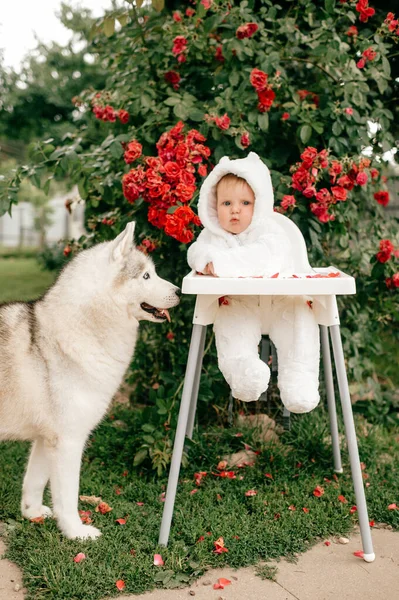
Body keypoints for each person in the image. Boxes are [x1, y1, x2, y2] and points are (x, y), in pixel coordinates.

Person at [187, 152, 320, 413]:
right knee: (230, 324)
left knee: (301, 325)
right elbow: (196, 253)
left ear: (259, 204)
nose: (235, 209)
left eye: (245, 202)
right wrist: (205, 261)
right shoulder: (212, 237)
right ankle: (243, 372)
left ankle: (299, 380)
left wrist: (223, 264)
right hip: (241, 304)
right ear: (214, 207)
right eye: (226, 203)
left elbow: (265, 259)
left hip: (284, 303)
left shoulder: (271, 232)